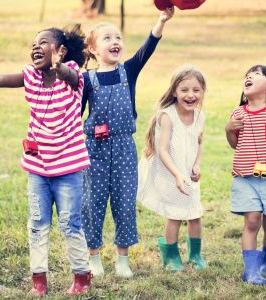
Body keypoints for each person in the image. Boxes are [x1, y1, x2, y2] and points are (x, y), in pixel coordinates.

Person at [0, 24, 92, 296]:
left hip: (69, 168)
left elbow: (69, 75)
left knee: (70, 222)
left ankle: (82, 276)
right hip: (38, 168)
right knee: (37, 222)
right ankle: (39, 279)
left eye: (43, 42)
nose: (35, 46)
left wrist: (59, 67)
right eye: (33, 43)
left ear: (60, 50)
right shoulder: (30, 76)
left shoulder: (74, 76)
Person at [81, 8, 174, 278]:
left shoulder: (128, 72)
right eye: (107, 38)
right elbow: (75, 114)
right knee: (91, 202)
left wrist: (161, 20)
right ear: (93, 49)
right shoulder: (87, 80)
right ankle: (94, 256)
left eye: (118, 37)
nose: (115, 41)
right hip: (94, 150)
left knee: (123, 202)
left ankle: (122, 259)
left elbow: (149, 47)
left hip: (123, 147)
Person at [225, 65, 266, 285]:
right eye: (247, 75)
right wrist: (228, 130)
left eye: (256, 74)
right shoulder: (238, 113)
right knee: (252, 221)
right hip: (246, 179)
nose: (249, 77)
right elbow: (235, 145)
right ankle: (251, 272)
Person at [137, 64, 207, 272]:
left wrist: (196, 164)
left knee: (195, 214)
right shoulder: (168, 116)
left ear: (203, 91)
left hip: (189, 174)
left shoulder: (200, 116)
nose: (190, 95)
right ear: (174, 91)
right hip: (170, 173)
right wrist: (177, 174)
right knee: (175, 214)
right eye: (184, 90)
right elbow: (163, 150)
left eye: (196, 90)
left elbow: (200, 142)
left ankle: (195, 255)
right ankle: (171, 256)